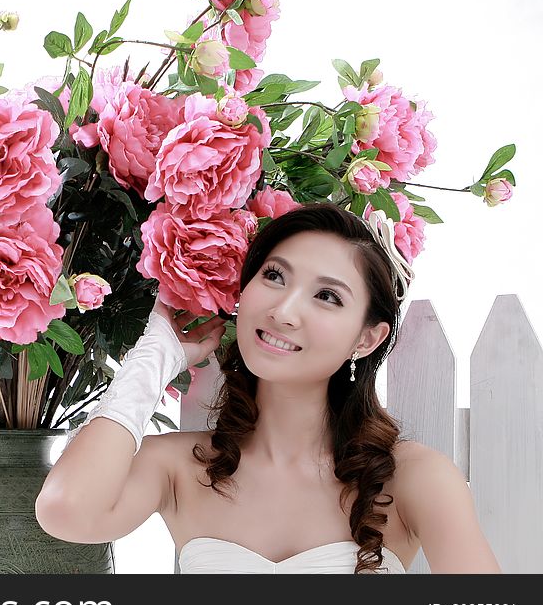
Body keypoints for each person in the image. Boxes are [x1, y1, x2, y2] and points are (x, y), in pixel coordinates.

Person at [35, 203, 501, 574]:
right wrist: (151, 361)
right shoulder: (176, 466)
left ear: (366, 339)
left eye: (327, 296)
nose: (283, 311)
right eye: (274, 276)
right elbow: (65, 512)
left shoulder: (413, 477)